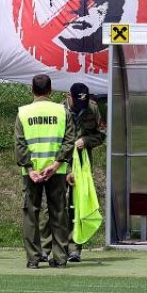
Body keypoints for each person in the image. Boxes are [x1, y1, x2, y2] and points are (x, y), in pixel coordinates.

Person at [40, 82, 105, 263]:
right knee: (52, 206)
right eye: (77, 103)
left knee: (77, 205)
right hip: (59, 163)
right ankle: (45, 248)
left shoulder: (92, 108)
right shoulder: (58, 111)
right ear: (69, 96)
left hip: (81, 165)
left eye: (83, 103)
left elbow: (100, 135)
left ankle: (74, 248)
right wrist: (64, 167)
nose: (80, 106)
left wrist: (86, 140)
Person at [15, 74, 74, 269]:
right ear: (50, 90)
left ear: (32, 90)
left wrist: (30, 168)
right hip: (56, 171)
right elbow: (69, 140)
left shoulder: (23, 113)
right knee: (58, 213)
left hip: (31, 173)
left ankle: (33, 259)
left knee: (31, 214)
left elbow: (20, 143)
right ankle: (59, 258)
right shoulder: (62, 111)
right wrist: (56, 163)